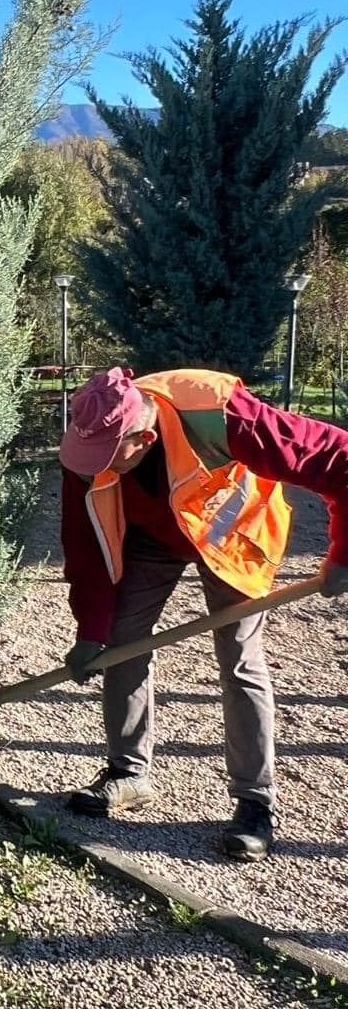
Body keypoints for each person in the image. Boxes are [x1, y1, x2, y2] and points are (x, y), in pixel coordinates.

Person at [59, 366, 348, 860]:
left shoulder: (221, 416)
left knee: (239, 657)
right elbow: (83, 541)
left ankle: (255, 803)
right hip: (153, 538)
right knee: (122, 642)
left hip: (231, 534)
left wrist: (343, 551)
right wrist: (90, 630)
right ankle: (129, 773)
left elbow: (340, 457)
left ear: (144, 438)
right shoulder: (89, 442)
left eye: (108, 458)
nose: (93, 469)